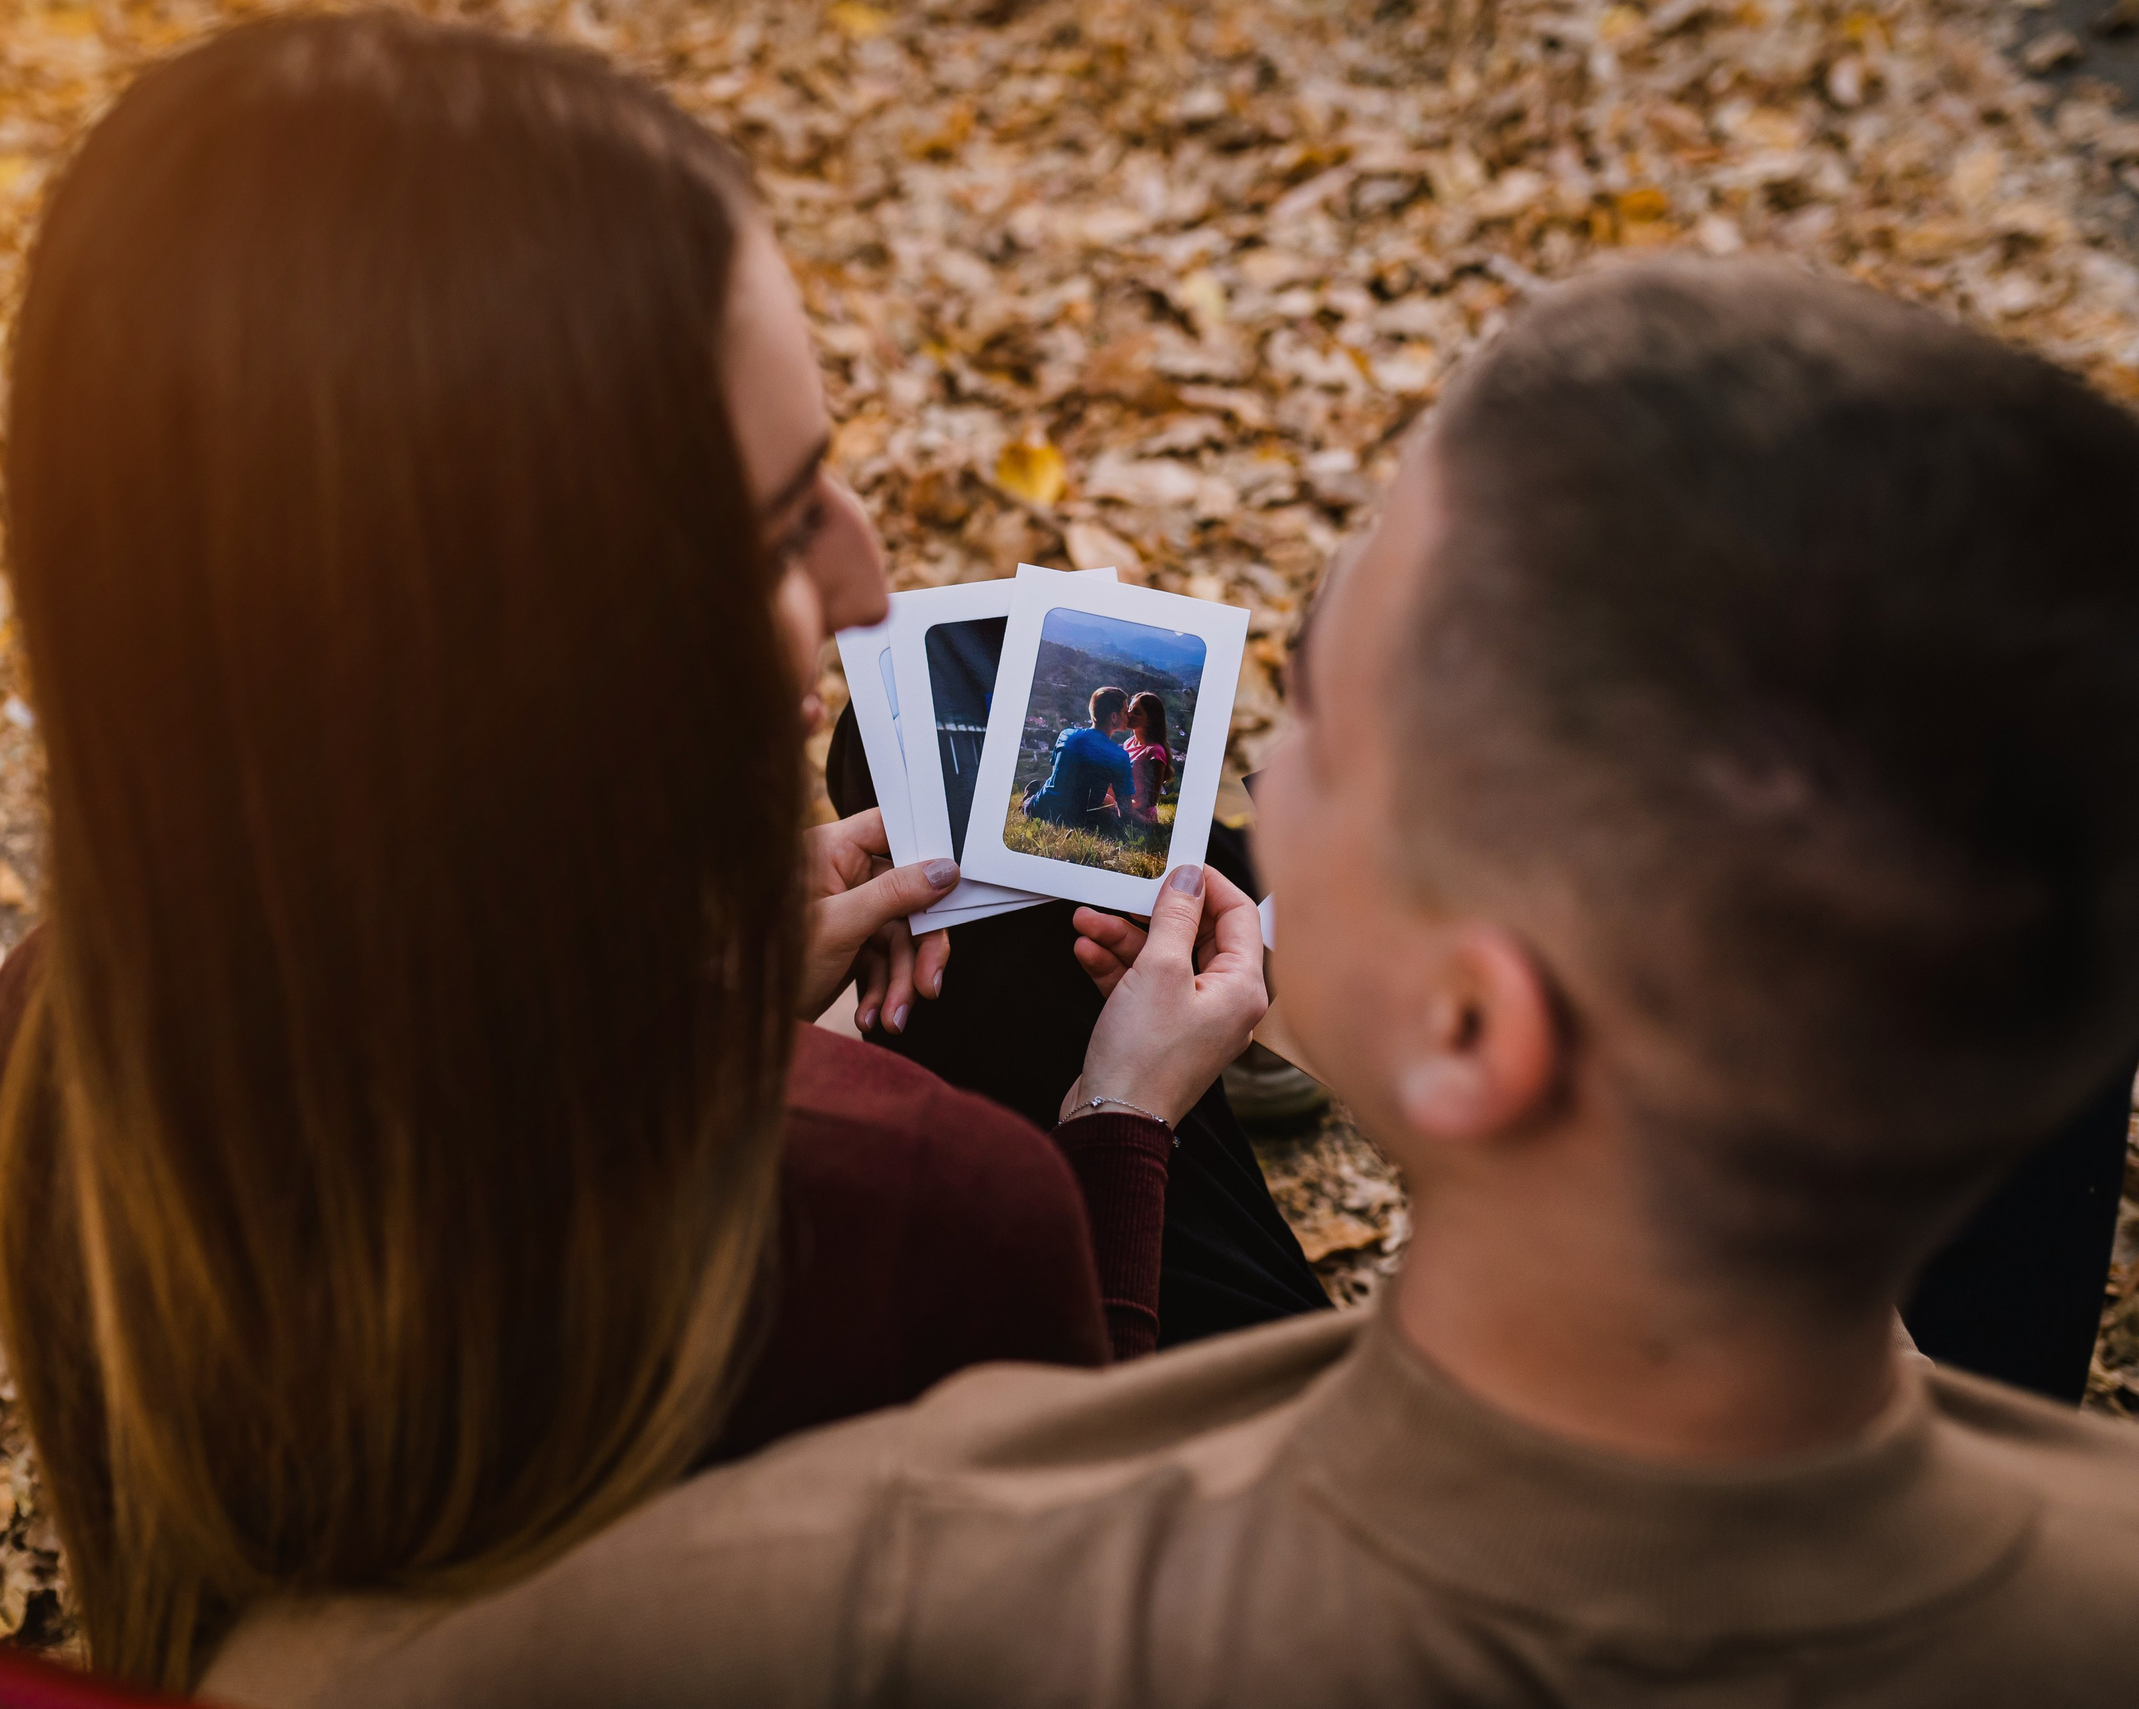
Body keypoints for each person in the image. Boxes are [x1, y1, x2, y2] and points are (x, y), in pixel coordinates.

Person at [199, 261, 2139, 1705]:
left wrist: (1096, 1123)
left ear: (1469, 1027)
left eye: (1305, 714)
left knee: (924, 792)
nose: (1243, 786)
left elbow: (280, 1673)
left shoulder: (880, 1580)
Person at [0, 15, 1210, 1693]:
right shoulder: (924, 1201)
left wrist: (701, 999)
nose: (865, 583)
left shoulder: (63, 1026)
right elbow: (1067, 1619)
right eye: (782, 522)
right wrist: (1123, 1123)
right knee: (1114, 907)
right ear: (548, 646)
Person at [1020, 685, 1135, 827]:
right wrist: (1152, 823)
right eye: (1125, 711)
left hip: (1040, 809)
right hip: (1076, 820)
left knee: (1034, 799)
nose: (1128, 715)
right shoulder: (1120, 756)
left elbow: (1056, 777)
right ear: (1113, 717)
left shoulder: (1066, 735)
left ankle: (1031, 792)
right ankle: (1029, 794)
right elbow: (1127, 812)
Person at [1121, 689, 1172, 827]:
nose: (1129, 714)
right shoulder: (1128, 743)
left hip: (1141, 817)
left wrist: (1124, 805)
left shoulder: (1155, 752)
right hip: (1126, 806)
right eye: (1130, 708)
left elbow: (1150, 801)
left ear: (1150, 721)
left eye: (1136, 712)